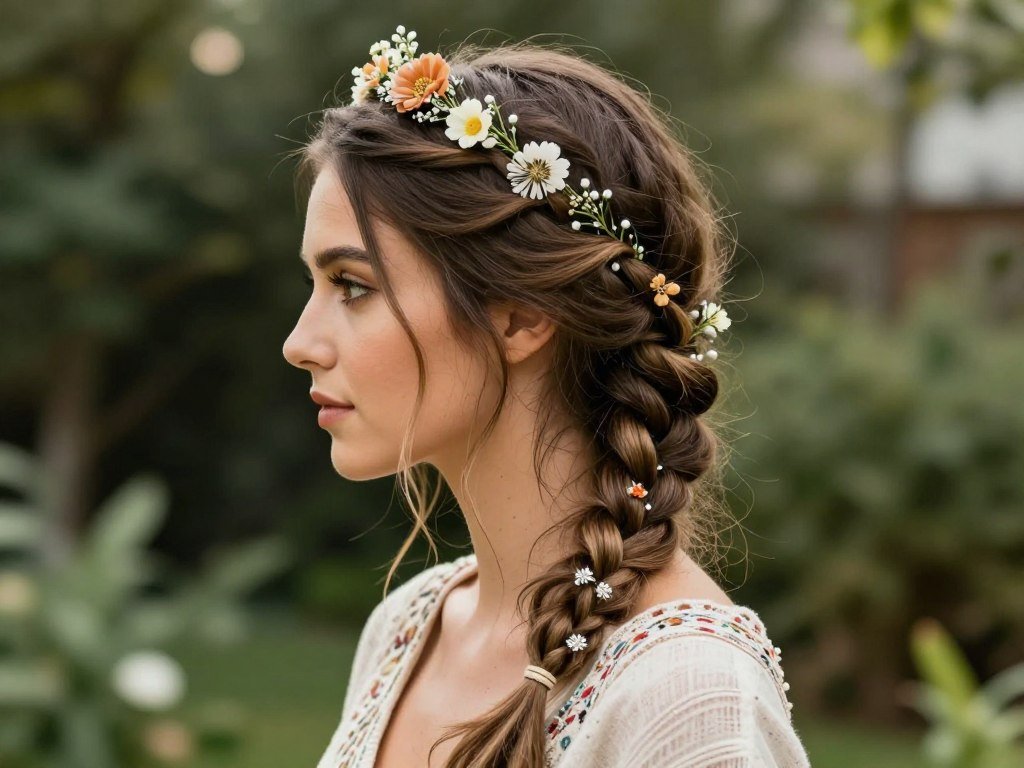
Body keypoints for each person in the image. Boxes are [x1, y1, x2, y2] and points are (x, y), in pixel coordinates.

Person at [283, 24, 812, 768]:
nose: (300, 342)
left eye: (354, 286)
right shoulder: (408, 626)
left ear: (522, 316)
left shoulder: (688, 699)